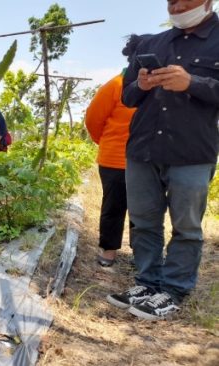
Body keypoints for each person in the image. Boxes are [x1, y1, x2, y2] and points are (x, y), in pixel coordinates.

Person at [107, 0, 218, 321]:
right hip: (143, 147)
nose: (178, 5)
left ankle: (173, 289)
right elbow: (127, 96)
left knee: (186, 226)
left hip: (192, 151)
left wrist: (193, 83)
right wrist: (140, 84)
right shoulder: (152, 43)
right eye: (172, 0)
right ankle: (146, 282)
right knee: (143, 220)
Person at [85, 34, 148, 267]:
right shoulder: (114, 86)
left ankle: (141, 254)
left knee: (144, 209)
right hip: (114, 159)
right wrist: (107, 143)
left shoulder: (160, 88)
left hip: (148, 160)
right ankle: (109, 250)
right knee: (114, 205)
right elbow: (93, 120)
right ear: (133, 58)